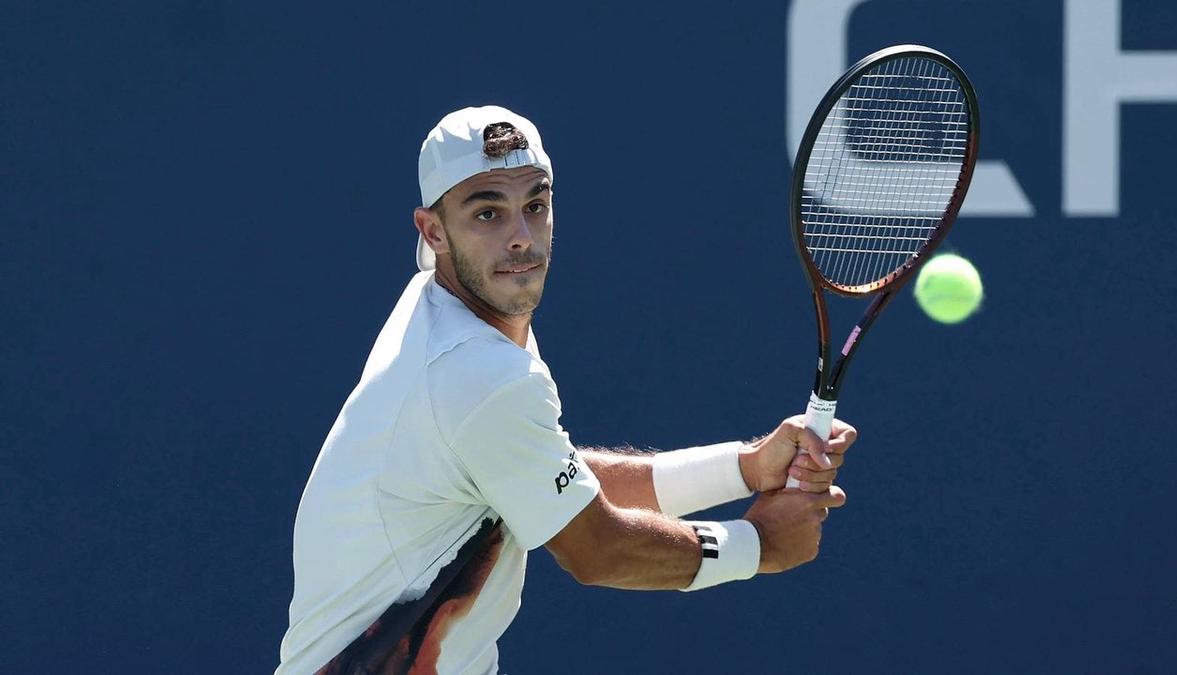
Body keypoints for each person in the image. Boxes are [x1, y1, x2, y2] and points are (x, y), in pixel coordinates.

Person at [276, 105, 858, 675]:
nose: (521, 238)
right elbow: (596, 547)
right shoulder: (477, 371)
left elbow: (548, 477)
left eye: (535, 206)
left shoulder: (449, 315)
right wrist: (759, 545)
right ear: (434, 230)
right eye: (488, 213)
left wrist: (745, 469)